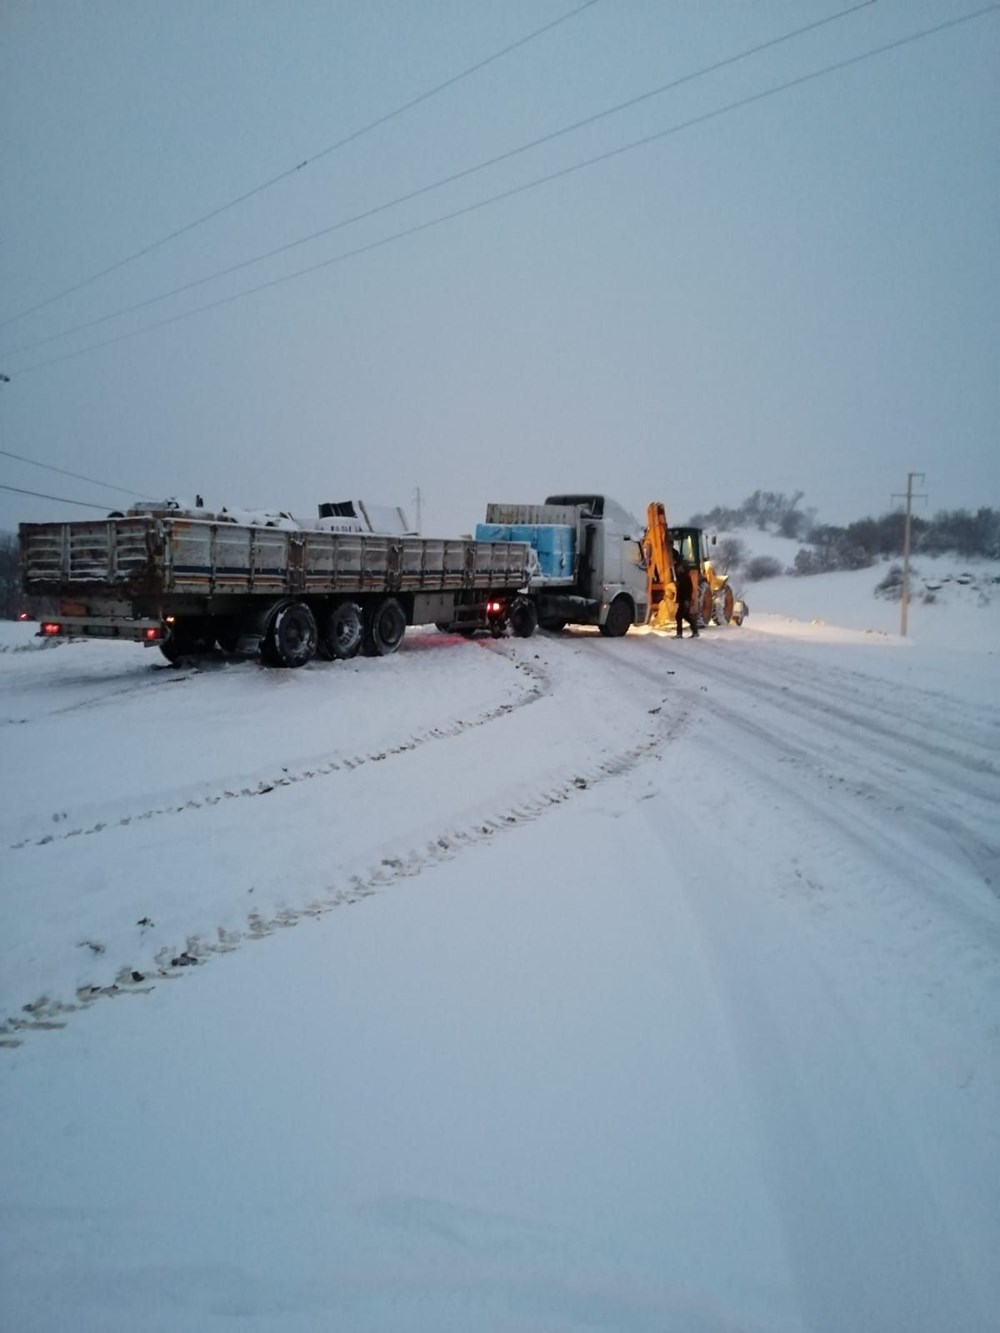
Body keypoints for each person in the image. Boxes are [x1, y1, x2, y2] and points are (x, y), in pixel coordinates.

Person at [673, 552, 699, 639]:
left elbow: (687, 590)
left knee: (679, 616)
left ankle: (680, 634)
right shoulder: (682, 577)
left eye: (680, 567)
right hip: (683, 600)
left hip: (684, 600)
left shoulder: (685, 578)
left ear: (683, 569)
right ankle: (695, 631)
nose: (678, 568)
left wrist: (686, 600)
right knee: (685, 616)